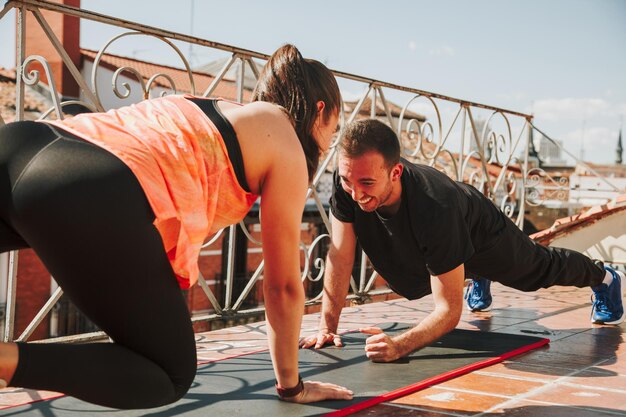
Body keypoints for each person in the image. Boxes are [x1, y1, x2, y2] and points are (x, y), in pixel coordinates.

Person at [0, 44, 353, 408]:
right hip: (84, 185)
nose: (330, 142)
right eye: (335, 128)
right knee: (169, 373)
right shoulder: (286, 142)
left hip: (23, 140)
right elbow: (282, 288)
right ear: (320, 112)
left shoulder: (212, 106)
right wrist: (291, 387)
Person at [300, 118, 625, 363]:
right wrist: (328, 327)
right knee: (418, 265)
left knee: (537, 270)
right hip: (442, 235)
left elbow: (449, 311)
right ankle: (470, 271)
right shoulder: (349, 184)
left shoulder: (436, 207)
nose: (355, 193)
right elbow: (340, 255)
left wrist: (400, 345)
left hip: (479, 230)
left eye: (367, 182)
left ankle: (606, 277)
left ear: (395, 172)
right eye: (347, 180)